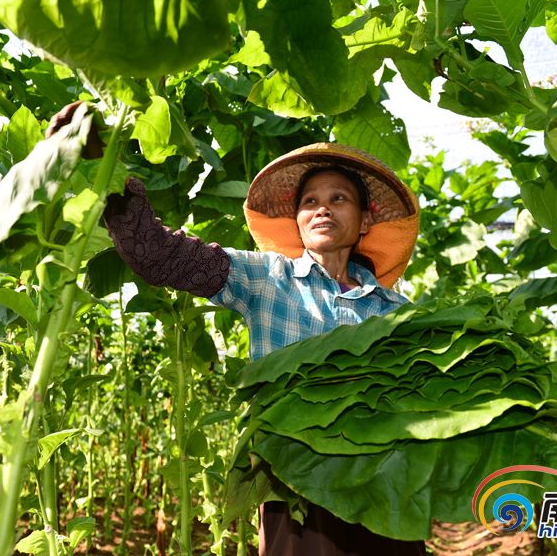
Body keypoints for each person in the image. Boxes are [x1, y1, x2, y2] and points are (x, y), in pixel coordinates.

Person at [47, 107, 423, 555]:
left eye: (339, 198)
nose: (322, 208)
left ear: (364, 220)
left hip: (386, 492)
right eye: (309, 201)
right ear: (298, 222)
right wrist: (105, 173)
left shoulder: (399, 312)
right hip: (295, 492)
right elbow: (159, 256)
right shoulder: (266, 278)